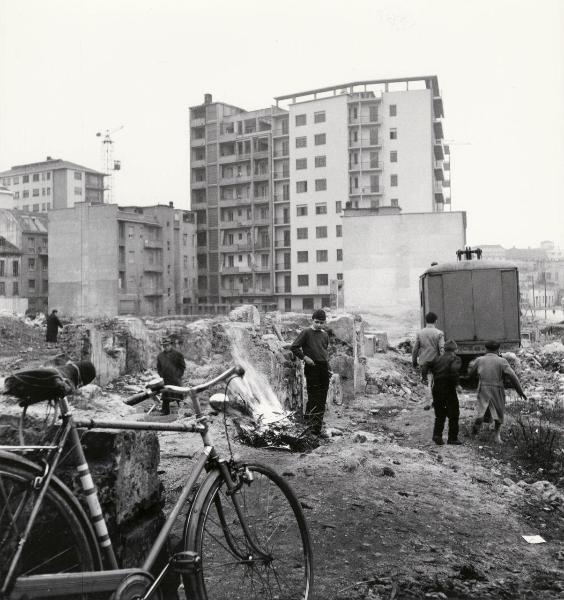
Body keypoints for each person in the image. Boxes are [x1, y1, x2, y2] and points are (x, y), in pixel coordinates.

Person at [468, 340, 527, 444]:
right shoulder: (502, 361)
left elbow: (471, 373)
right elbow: (513, 376)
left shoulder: (479, 360)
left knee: (482, 409)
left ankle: (475, 430)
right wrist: (520, 391)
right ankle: (497, 436)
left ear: (486, 349)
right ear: (498, 349)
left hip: (483, 387)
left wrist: (475, 374)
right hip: (497, 388)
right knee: (499, 412)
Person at [290, 309, 330, 436]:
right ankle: (309, 427)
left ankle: (317, 429)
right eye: (317, 322)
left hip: (323, 368)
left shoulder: (325, 335)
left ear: (324, 323)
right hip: (312, 367)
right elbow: (294, 347)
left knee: (322, 399)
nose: (319, 325)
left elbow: (324, 351)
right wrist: (305, 358)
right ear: (312, 320)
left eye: (321, 322)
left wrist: (328, 368)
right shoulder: (306, 332)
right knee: (313, 397)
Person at [423, 339, 462, 445]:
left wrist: (424, 377)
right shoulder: (455, 358)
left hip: (437, 389)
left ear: (444, 349)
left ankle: (437, 436)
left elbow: (426, 364)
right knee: (454, 414)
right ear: (456, 350)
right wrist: (457, 384)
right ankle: (452, 438)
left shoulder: (437, 359)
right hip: (448, 389)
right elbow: (454, 370)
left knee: (440, 414)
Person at [412, 312, 445, 387]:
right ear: (435, 321)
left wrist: (414, 363)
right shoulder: (439, 333)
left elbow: (415, 349)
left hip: (424, 363)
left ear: (425, 321)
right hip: (436, 362)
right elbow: (441, 349)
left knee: (424, 383)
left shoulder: (420, 333)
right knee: (437, 383)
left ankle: (427, 395)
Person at [156, 336, 186, 415]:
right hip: (166, 379)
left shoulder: (178, 354)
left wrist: (178, 375)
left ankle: (183, 411)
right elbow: (158, 367)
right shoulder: (160, 356)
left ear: (171, 345)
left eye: (167, 345)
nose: (166, 347)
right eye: (164, 346)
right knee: (166, 395)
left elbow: (182, 366)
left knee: (178, 395)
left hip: (175, 379)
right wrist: (161, 375)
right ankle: (165, 411)